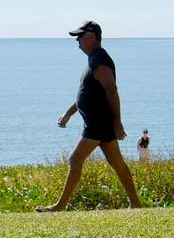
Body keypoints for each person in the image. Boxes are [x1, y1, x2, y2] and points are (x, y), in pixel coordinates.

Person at [36, 20, 143, 212]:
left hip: (97, 124)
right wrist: (68, 114)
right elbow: (86, 93)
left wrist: (118, 123)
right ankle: (135, 203)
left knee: (75, 159)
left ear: (91, 37)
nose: (76, 40)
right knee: (117, 163)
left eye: (79, 36)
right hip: (98, 123)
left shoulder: (100, 59)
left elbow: (111, 90)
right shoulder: (93, 59)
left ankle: (60, 206)